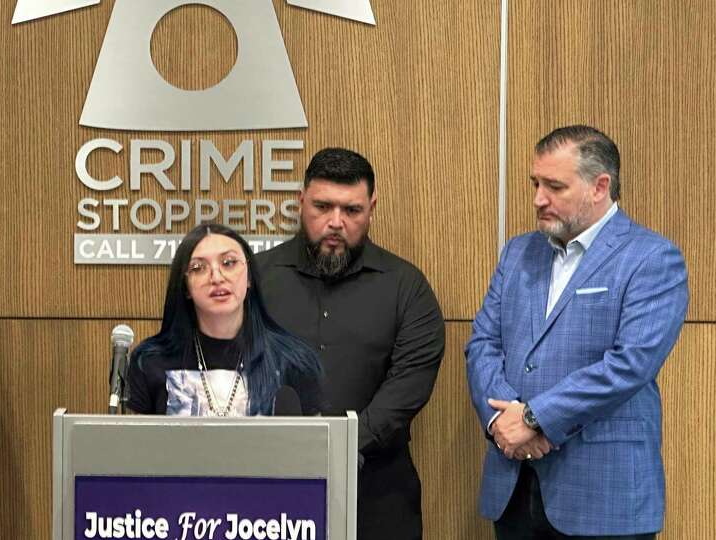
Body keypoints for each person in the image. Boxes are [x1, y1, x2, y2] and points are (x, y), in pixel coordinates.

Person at [466, 125, 689, 539]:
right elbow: (484, 343)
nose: (538, 199)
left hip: (602, 498)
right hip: (514, 487)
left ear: (599, 186)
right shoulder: (518, 252)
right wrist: (502, 420)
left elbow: (629, 365)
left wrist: (534, 418)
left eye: (554, 186)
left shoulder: (652, 259)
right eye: (535, 183)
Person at [256, 148, 445, 540]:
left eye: (352, 210)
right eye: (322, 206)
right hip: (268, 485)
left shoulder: (406, 286)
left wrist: (338, 447)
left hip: (377, 494)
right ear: (300, 201)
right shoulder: (254, 279)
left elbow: (409, 386)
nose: (335, 223)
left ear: (371, 207)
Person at [126, 223, 323, 416]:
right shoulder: (149, 361)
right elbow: (137, 446)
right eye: (198, 268)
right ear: (185, 286)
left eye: (228, 263)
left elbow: (315, 445)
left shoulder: (294, 361)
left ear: (249, 278)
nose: (217, 277)